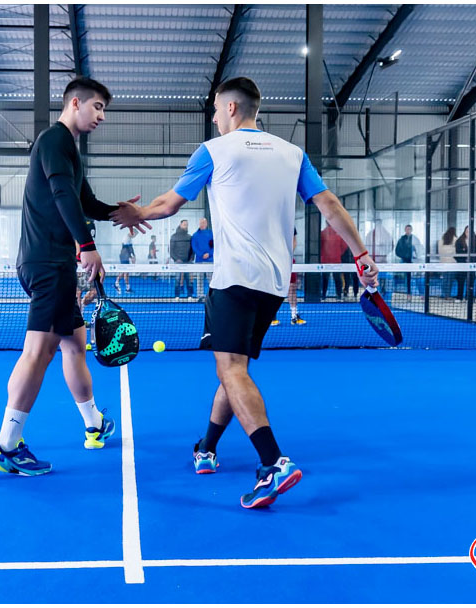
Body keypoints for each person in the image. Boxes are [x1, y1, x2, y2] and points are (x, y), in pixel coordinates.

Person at [110, 76, 378, 509]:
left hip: (234, 278)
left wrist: (134, 212)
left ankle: (274, 463)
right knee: (233, 368)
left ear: (231, 108)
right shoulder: (292, 154)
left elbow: (169, 204)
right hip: (273, 284)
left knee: (231, 369)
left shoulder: (214, 150)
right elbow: (329, 205)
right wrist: (361, 254)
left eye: (217, 109)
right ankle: (207, 448)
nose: (215, 117)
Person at [0, 76, 148, 477]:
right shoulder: (55, 140)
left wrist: (120, 212)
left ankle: (94, 423)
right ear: (76, 103)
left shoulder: (67, 149)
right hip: (49, 265)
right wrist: (87, 246)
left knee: (75, 345)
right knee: (37, 353)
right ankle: (6, 446)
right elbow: (61, 195)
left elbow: (83, 201)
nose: (102, 116)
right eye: (97, 107)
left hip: (49, 264)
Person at [272, 228, 305, 325]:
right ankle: (272, 317)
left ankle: (294, 316)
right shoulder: (270, 224)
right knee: (272, 288)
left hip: (288, 261)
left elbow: (294, 241)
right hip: (273, 260)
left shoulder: (291, 225)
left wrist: (287, 255)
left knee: (292, 287)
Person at [320, 220, 347, 299]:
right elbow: (344, 246)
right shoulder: (339, 234)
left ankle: (323, 295)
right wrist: (338, 253)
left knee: (325, 279)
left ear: (326, 223)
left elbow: (319, 246)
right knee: (337, 279)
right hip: (336, 260)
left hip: (325, 260)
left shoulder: (322, 233)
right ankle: (339, 295)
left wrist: (323, 254)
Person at [454, 226, 476, 301]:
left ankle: (468, 297)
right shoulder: (459, 241)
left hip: (472, 265)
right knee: (461, 281)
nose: (468, 233)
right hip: (462, 265)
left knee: (471, 282)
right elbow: (458, 252)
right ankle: (459, 297)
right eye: (467, 231)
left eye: (470, 231)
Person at [170, 219, 194, 298]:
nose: (186, 226)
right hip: (178, 262)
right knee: (177, 279)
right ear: (180, 225)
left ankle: (190, 295)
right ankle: (177, 296)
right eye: (184, 224)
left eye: (187, 224)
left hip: (188, 262)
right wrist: (176, 259)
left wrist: (191, 258)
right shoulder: (174, 237)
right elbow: (171, 251)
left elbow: (192, 249)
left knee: (189, 280)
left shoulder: (189, 237)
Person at [394, 224, 421, 294]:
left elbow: (418, 250)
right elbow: (397, 251)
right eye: (407, 229)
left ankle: (419, 293)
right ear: (405, 230)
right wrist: (403, 256)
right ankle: (408, 293)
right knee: (406, 277)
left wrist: (416, 258)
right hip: (404, 261)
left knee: (415, 277)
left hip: (412, 261)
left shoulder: (415, 240)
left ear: (411, 230)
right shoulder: (401, 240)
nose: (408, 230)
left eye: (409, 229)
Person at [192, 217, 213, 298]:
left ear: (206, 224)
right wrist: (201, 255)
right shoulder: (195, 235)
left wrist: (209, 254)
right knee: (199, 279)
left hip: (210, 261)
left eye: (204, 223)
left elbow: (214, 246)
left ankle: (211, 296)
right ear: (199, 224)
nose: (202, 224)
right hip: (199, 261)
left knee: (211, 280)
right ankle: (200, 295)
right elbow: (194, 247)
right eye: (201, 223)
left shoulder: (211, 234)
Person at [437, 227, 457, 298]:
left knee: (444, 279)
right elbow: (456, 252)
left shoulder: (441, 240)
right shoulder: (455, 239)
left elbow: (439, 251)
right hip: (452, 263)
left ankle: (443, 294)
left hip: (443, 263)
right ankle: (448, 295)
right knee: (450, 280)